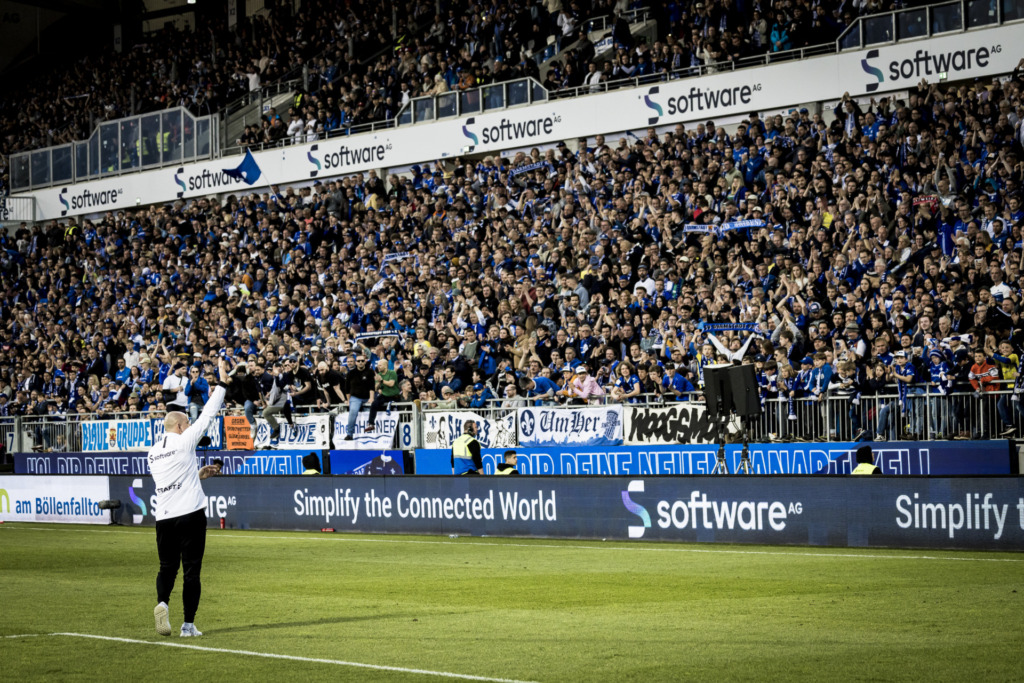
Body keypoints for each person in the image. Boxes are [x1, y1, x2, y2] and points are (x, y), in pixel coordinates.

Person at [148, 359, 229, 638]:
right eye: (187, 423)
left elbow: (171, 480)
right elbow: (208, 414)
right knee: (191, 571)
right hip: (190, 515)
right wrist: (222, 382)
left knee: (167, 567)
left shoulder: (153, 452)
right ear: (181, 426)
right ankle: (188, 625)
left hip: (164, 517)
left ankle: (162, 603)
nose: (190, 424)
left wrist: (197, 475)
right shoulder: (185, 440)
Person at [342, 354, 375, 440]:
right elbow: (347, 389)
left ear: (365, 362)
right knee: (353, 412)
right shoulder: (350, 373)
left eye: (362, 361)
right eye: (358, 361)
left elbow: (372, 386)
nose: (360, 362)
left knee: (371, 413)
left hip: (367, 397)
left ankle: (372, 435)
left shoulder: (370, 372)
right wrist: (348, 400)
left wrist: (371, 398)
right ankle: (349, 434)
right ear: (356, 362)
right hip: (355, 397)